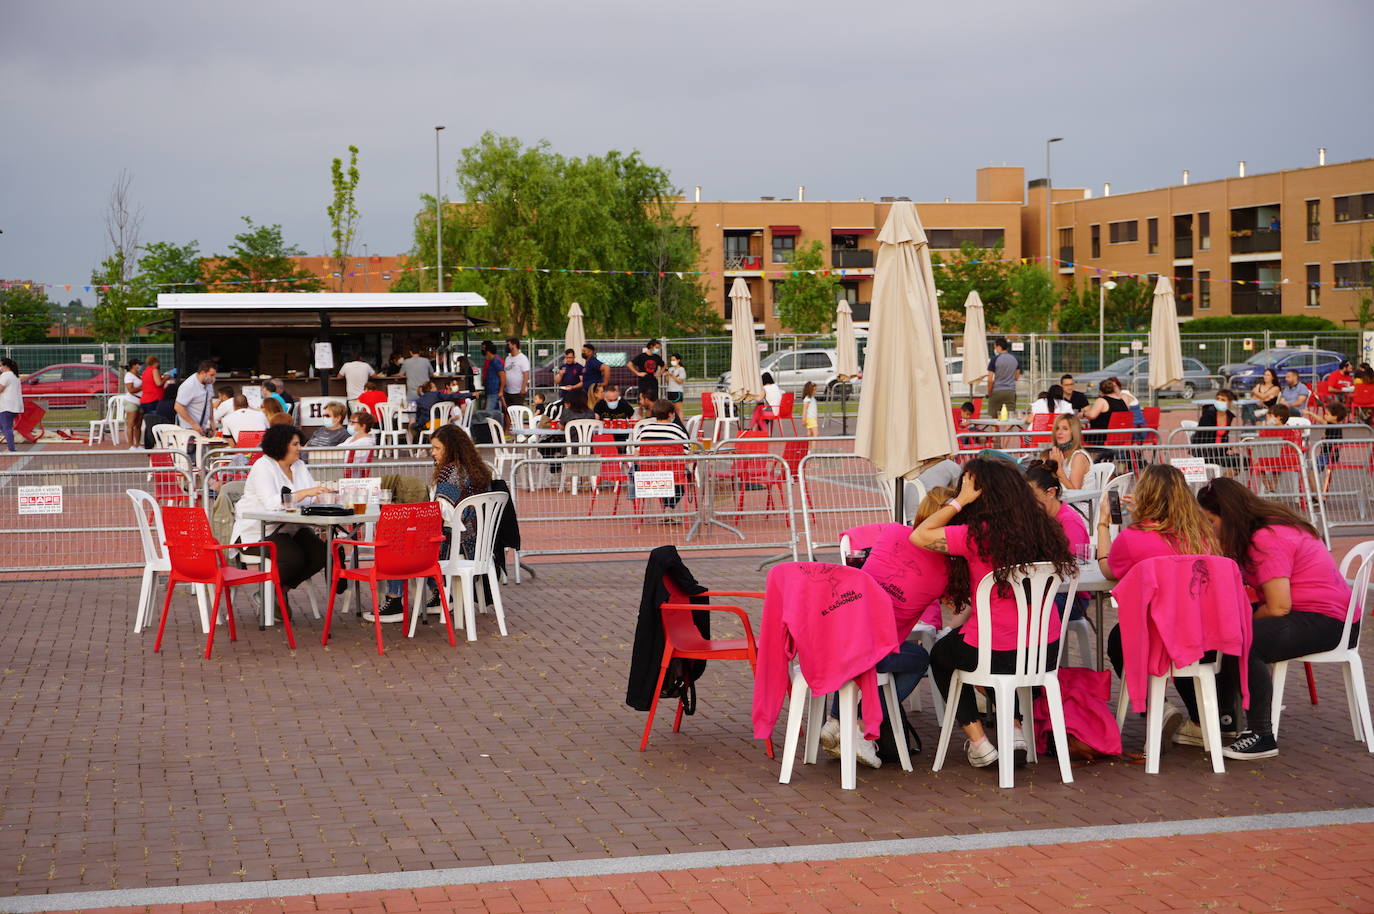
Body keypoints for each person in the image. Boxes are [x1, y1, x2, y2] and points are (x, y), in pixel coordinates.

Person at [913, 457, 1075, 769]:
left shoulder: (978, 534)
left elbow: (919, 535)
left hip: (998, 651)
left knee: (945, 655)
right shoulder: (1044, 527)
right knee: (985, 644)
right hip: (1045, 650)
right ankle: (1014, 730)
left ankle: (979, 742)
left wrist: (959, 501)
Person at [1196, 477, 1354, 760]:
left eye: (1211, 521)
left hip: (1329, 620)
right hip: (1324, 613)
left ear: (1228, 516)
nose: (1210, 529)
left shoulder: (1266, 538)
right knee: (1234, 632)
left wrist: (1245, 622)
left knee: (1245, 640)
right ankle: (1227, 717)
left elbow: (1279, 606)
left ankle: (1261, 735)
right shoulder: (1267, 526)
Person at [818, 487, 957, 768]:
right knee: (919, 658)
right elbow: (958, 605)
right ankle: (859, 727)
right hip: (872, 649)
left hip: (833, 636)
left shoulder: (892, 532)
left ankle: (835, 721)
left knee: (868, 651)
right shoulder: (946, 573)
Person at [1097, 464, 1221, 749]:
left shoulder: (1134, 538)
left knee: (1119, 638)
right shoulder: (1203, 536)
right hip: (1205, 635)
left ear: (1146, 495)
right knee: (1180, 646)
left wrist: (1104, 523)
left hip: (1160, 637)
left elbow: (1107, 568)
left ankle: (1158, 706)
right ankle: (1199, 721)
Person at [375, 424, 494, 621]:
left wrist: (412, 515)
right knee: (416, 540)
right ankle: (439, 593)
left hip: (456, 541)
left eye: (437, 448)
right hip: (478, 543)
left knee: (400, 541)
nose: (433, 453)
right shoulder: (478, 470)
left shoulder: (450, 471)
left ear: (452, 449)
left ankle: (395, 599)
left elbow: (441, 510)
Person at [230, 424, 332, 616]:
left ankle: (278, 589)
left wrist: (321, 496)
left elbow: (310, 496)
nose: (299, 448)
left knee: (322, 553)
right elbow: (271, 503)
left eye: (299, 444)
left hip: (290, 526)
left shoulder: (299, 466)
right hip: (258, 531)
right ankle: (268, 592)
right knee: (293, 558)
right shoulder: (263, 466)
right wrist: (305, 493)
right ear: (281, 445)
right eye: (295, 444)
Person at [1042, 414, 1092, 490]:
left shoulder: (1079, 457)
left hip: (1080, 500)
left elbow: (1075, 491)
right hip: (1061, 498)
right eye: (1057, 428)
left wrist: (1058, 466)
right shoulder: (1059, 454)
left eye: (1065, 429)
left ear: (1073, 433)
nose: (1059, 432)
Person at [1306, 401, 1348, 491]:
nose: (1325, 416)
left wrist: (1323, 439)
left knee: (1311, 473)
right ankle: (1321, 494)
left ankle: (1316, 495)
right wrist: (1310, 413)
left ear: (1335, 417)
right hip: (1332, 455)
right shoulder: (1335, 425)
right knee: (1327, 475)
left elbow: (1334, 442)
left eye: (1327, 414)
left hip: (1326, 454)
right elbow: (1321, 421)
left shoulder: (1332, 427)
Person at [1083, 377, 1131, 448]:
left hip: (1101, 436)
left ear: (1101, 391)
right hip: (1120, 436)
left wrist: (1084, 413)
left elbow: (1092, 415)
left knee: (1079, 435)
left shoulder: (1102, 400)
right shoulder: (1121, 401)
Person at [175, 360, 218, 437]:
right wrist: (193, 424)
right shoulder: (189, 385)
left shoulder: (208, 383)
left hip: (202, 427)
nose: (213, 378)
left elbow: (209, 401)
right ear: (202, 373)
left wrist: (212, 421)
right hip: (188, 428)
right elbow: (178, 407)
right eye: (211, 375)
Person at [985, 337, 1021, 417]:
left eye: (995, 347)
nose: (995, 349)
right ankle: (1007, 429)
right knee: (1009, 417)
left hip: (997, 391)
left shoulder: (994, 359)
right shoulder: (1015, 359)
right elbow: (1017, 377)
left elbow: (990, 379)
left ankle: (995, 430)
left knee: (993, 418)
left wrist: (989, 392)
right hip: (1010, 391)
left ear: (999, 347)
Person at [0, 358, 22, 452]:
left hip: (6, 406)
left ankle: (12, 449)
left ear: (6, 366)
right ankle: (11, 448)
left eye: (0, 365)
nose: (0, 367)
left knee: (6, 428)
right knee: (4, 427)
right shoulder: (14, 376)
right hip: (12, 406)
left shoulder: (6, 375)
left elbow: (0, 389)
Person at [122, 359, 144, 448]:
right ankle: (131, 445)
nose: (140, 366)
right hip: (131, 401)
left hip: (140, 401)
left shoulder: (138, 375)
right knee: (131, 424)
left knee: (138, 424)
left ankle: (137, 444)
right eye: (139, 364)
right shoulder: (129, 376)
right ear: (134, 365)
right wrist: (142, 387)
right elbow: (130, 390)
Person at [503, 337, 530, 408]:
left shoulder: (522, 358)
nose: (507, 346)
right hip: (508, 391)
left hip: (518, 391)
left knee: (516, 410)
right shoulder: (507, 358)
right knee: (507, 411)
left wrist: (523, 389)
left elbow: (526, 374)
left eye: (508, 344)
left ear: (514, 345)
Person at [479, 340, 505, 412]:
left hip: (494, 392)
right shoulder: (490, 361)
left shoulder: (496, 361)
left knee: (489, 412)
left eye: (483, 348)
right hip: (490, 391)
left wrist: (501, 391)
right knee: (494, 412)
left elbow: (502, 376)